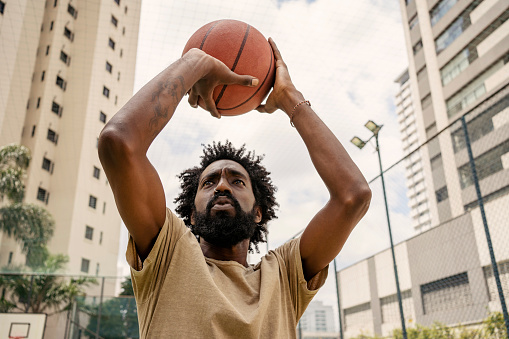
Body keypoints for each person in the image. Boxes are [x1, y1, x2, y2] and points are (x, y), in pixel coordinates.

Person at [98, 38, 371, 338]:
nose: (222, 186)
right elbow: (118, 143)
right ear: (190, 215)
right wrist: (196, 62)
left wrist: (288, 96)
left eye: (237, 181)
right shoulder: (168, 254)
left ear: (258, 212)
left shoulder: (283, 275)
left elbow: (353, 196)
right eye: (209, 182)